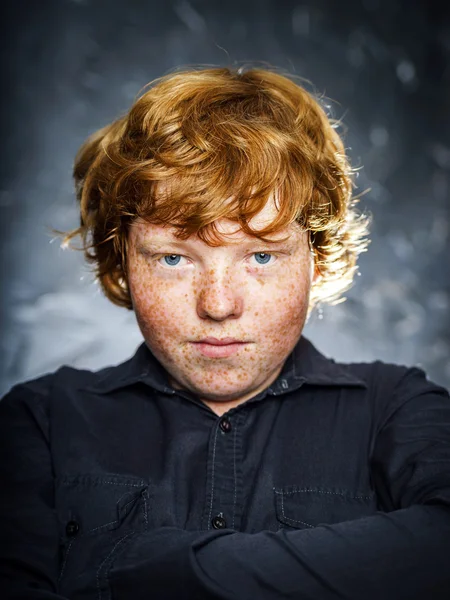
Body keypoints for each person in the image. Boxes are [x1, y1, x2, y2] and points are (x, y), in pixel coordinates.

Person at [0, 65, 449, 600]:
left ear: (318, 261)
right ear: (122, 264)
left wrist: (150, 572)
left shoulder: (398, 408)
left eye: (260, 256)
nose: (217, 304)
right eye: (172, 258)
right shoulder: (40, 421)